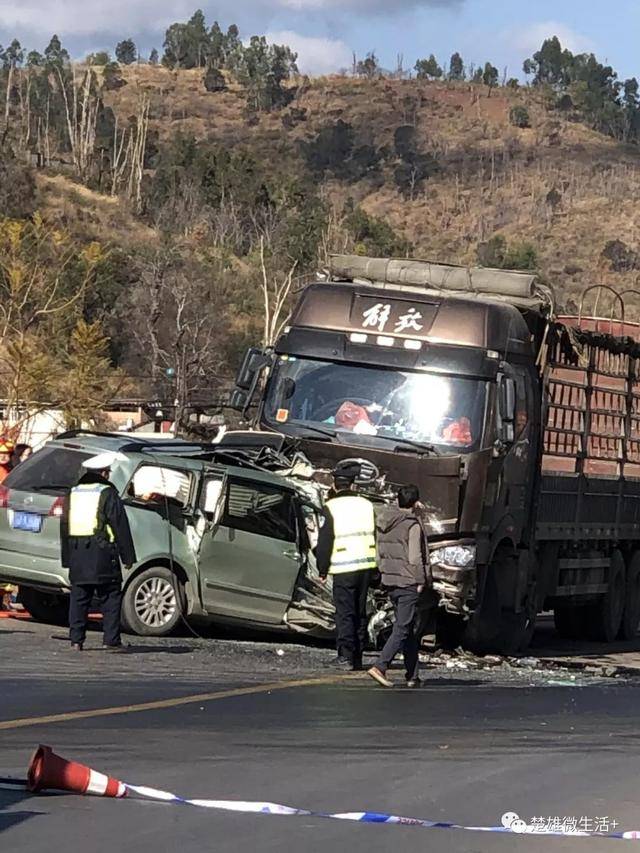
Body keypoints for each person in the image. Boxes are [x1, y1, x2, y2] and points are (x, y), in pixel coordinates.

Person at [60, 451, 137, 652]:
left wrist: (67, 558)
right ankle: (111, 640)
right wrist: (127, 556)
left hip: (77, 553)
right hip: (103, 554)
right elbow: (120, 526)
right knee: (110, 597)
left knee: (79, 598)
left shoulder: (72, 493)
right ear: (103, 473)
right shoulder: (107, 493)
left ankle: (76, 640)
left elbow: (64, 527)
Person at [316, 462, 377, 670]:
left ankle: (345, 656)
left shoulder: (331, 507)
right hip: (366, 566)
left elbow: (325, 541)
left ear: (335, 484)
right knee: (360, 612)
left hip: (344, 567)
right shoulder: (367, 505)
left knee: (344, 613)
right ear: (353, 485)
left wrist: (322, 568)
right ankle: (358, 656)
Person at [367, 484, 429, 689]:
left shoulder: (385, 521)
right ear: (415, 502)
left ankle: (413, 674)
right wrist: (421, 580)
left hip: (390, 580)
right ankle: (380, 666)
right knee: (402, 627)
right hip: (408, 580)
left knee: (408, 626)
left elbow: (380, 553)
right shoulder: (412, 525)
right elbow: (415, 557)